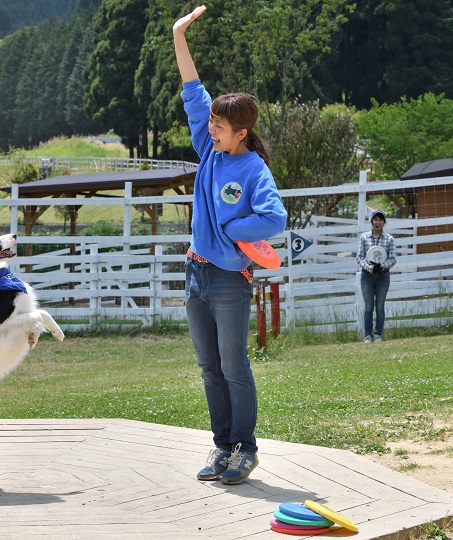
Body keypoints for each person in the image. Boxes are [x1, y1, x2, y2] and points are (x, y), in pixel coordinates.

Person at [173, 6, 287, 485]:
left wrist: (234, 228)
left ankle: (246, 450)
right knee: (208, 368)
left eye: (220, 126)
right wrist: (179, 35)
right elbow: (192, 92)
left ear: (241, 133)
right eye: (212, 123)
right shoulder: (208, 150)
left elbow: (275, 218)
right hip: (195, 273)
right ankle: (223, 448)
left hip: (228, 280)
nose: (211, 128)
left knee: (234, 367)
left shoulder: (254, 170)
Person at [357, 209, 396, 342]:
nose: (377, 222)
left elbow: (392, 258)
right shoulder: (364, 238)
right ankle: (368, 335)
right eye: (375, 219)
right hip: (367, 276)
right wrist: (370, 268)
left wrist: (382, 266)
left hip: (383, 276)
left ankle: (378, 333)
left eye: (380, 220)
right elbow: (360, 258)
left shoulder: (389, 239)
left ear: (384, 222)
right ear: (371, 221)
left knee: (380, 306)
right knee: (368, 307)